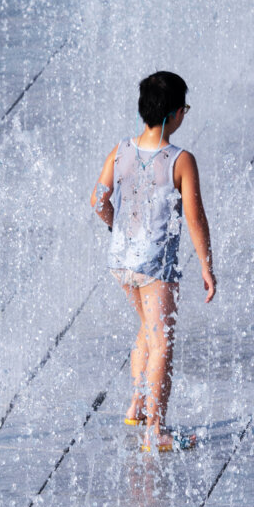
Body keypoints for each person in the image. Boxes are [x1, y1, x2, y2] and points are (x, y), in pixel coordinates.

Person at [89, 70, 217, 452]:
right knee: (162, 342)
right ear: (175, 115)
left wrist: (117, 232)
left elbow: (98, 200)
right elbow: (195, 216)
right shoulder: (180, 160)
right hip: (156, 266)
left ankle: (136, 405)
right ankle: (155, 431)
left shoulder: (121, 149)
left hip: (121, 262)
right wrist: (206, 265)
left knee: (146, 330)